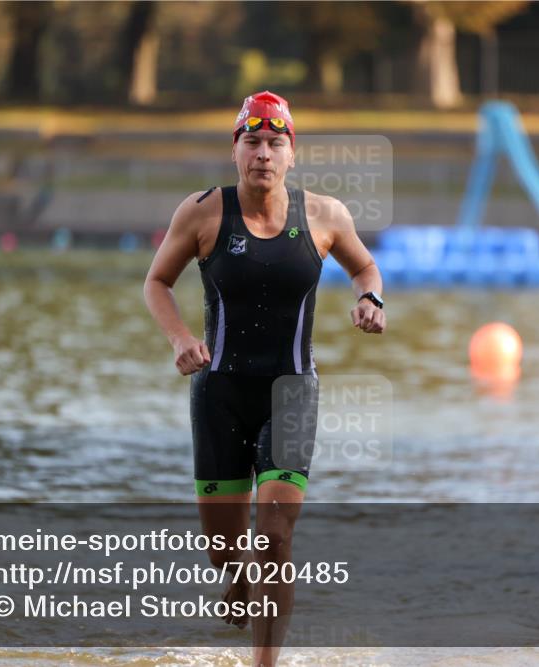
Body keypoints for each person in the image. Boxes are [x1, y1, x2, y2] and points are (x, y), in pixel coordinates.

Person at [143, 90, 385, 666]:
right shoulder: (202, 212)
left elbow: (364, 266)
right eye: (252, 141)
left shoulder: (325, 215)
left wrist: (370, 297)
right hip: (219, 394)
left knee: (275, 538)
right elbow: (157, 282)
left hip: (292, 391)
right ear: (235, 149)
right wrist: (181, 338)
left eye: (276, 143)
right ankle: (239, 580)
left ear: (291, 154)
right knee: (227, 556)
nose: (264, 154)